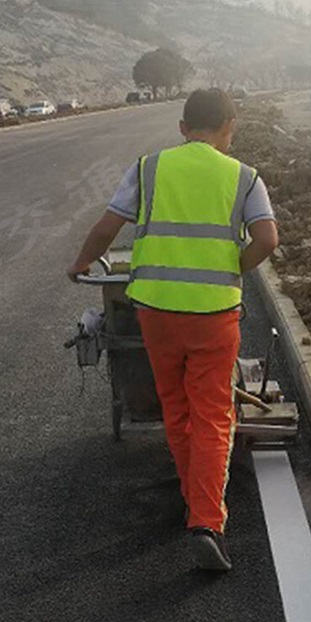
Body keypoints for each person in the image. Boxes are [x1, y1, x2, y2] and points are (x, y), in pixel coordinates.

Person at [66, 89, 279, 572]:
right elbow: (267, 239)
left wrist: (80, 264)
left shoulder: (148, 169)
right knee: (213, 414)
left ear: (183, 127)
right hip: (214, 316)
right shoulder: (244, 177)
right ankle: (206, 520)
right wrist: (233, 269)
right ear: (230, 127)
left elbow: (106, 227)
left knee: (176, 409)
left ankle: (191, 497)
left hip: (156, 312)